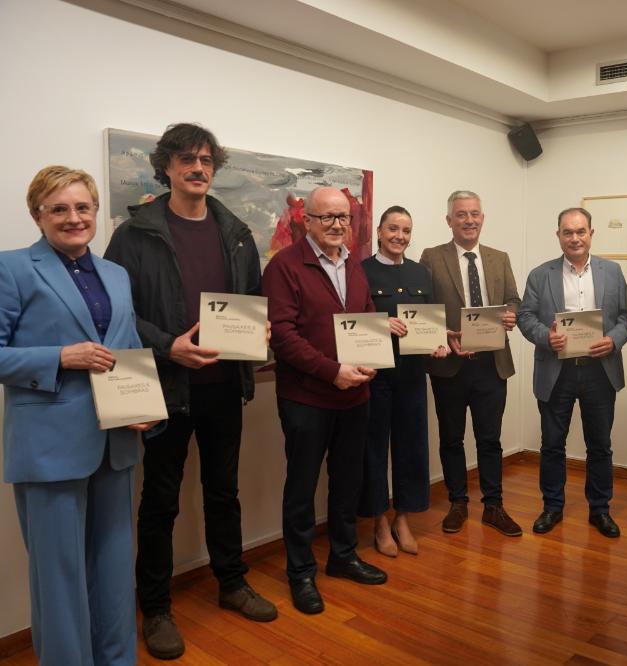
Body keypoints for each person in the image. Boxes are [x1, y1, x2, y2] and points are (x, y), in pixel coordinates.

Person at [105, 123, 276, 660]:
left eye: (205, 159)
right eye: (186, 159)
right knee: (159, 501)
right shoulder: (135, 234)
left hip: (224, 386)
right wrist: (166, 346)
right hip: (165, 388)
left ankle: (232, 582)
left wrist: (260, 330)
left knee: (224, 491)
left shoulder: (237, 232)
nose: (197, 168)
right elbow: (115, 312)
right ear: (167, 167)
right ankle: (156, 608)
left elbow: (252, 300)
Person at [1, 166, 155, 665]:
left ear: (95, 211)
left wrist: (143, 408)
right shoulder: (12, 268)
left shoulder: (116, 274)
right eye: (59, 209)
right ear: (37, 215)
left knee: (114, 568)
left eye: (83, 207)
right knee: (59, 576)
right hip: (49, 447)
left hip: (116, 442)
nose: (74, 218)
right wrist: (59, 357)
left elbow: (127, 348)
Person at [263, 186, 387, 616]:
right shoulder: (284, 266)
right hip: (307, 398)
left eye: (343, 217)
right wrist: (332, 371)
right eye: (327, 217)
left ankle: (343, 555)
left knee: (347, 480)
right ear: (307, 221)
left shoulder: (353, 264)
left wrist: (370, 361)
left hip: (355, 395)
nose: (337, 225)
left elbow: (365, 318)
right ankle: (300, 573)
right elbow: (283, 336)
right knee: (301, 488)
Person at [517, 207, 627, 538]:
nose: (575, 238)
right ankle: (552, 506)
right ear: (558, 236)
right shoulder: (540, 274)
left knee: (600, 444)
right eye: (568, 232)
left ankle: (600, 509)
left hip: (600, 370)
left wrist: (613, 340)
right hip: (557, 370)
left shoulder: (612, 271)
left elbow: (626, 317)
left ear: (591, 234)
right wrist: (546, 337)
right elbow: (525, 316)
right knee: (552, 444)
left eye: (581, 231)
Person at [419, 190, 523, 536]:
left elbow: (514, 300)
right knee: (451, 438)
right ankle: (457, 503)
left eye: (474, 214)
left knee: (489, 439)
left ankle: (494, 506)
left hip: (492, 364)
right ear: (449, 220)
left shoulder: (499, 258)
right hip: (450, 365)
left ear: (482, 218)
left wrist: (511, 314)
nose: (469, 220)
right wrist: (440, 336)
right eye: (461, 214)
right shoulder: (432, 257)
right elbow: (424, 310)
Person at [359, 206, 449, 557]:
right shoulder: (360, 271)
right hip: (376, 374)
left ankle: (403, 519)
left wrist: (438, 344)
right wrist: (381, 324)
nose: (400, 236)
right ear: (380, 232)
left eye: (406, 230)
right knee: (373, 448)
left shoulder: (420, 272)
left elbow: (430, 321)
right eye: (393, 229)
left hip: (412, 373)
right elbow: (349, 321)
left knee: (411, 447)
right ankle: (379, 521)